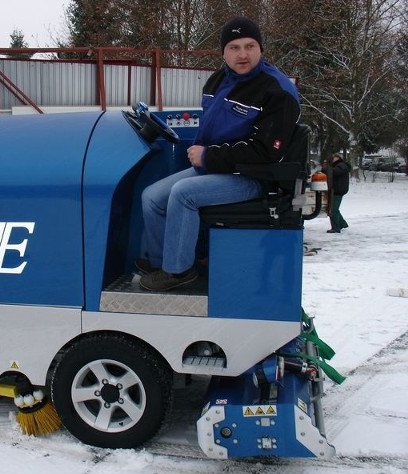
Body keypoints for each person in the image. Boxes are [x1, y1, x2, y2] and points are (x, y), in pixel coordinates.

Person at [137, 16, 301, 292]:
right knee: (151, 196)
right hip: (218, 167)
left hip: (253, 175)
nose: (243, 54)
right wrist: (205, 156)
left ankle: (178, 272)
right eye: (234, 47)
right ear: (223, 52)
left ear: (260, 48)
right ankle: (161, 261)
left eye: (250, 46)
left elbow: (266, 152)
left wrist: (208, 156)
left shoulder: (277, 90)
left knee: (183, 194)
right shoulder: (217, 81)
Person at [323, 153, 350, 233]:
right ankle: (342, 224)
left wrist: (326, 167)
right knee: (335, 208)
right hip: (337, 190)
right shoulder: (338, 165)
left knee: (333, 209)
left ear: (338, 158)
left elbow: (334, 173)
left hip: (338, 190)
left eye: (333, 157)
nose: (332, 159)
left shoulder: (341, 165)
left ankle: (336, 228)